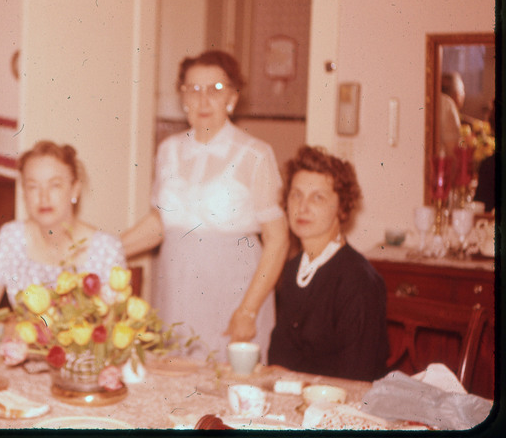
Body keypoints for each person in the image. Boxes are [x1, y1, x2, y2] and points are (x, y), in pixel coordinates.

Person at [121, 50, 289, 362]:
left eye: (215, 90)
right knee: (176, 384)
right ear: (182, 97)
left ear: (233, 98)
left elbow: (278, 239)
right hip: (177, 290)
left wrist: (248, 310)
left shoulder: (254, 154)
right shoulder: (168, 150)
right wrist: (107, 249)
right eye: (193, 90)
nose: (203, 100)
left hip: (234, 295)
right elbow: (161, 223)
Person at [0, 140, 127, 322]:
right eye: (33, 187)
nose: (43, 197)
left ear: (75, 190)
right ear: (24, 193)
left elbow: (111, 330)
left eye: (55, 185)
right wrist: (15, 326)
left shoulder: (107, 249)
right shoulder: (11, 238)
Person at [268, 146, 388, 381]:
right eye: (296, 195)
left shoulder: (358, 281)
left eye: (318, 198)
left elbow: (356, 377)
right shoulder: (294, 269)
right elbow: (278, 358)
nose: (302, 207)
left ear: (342, 208)